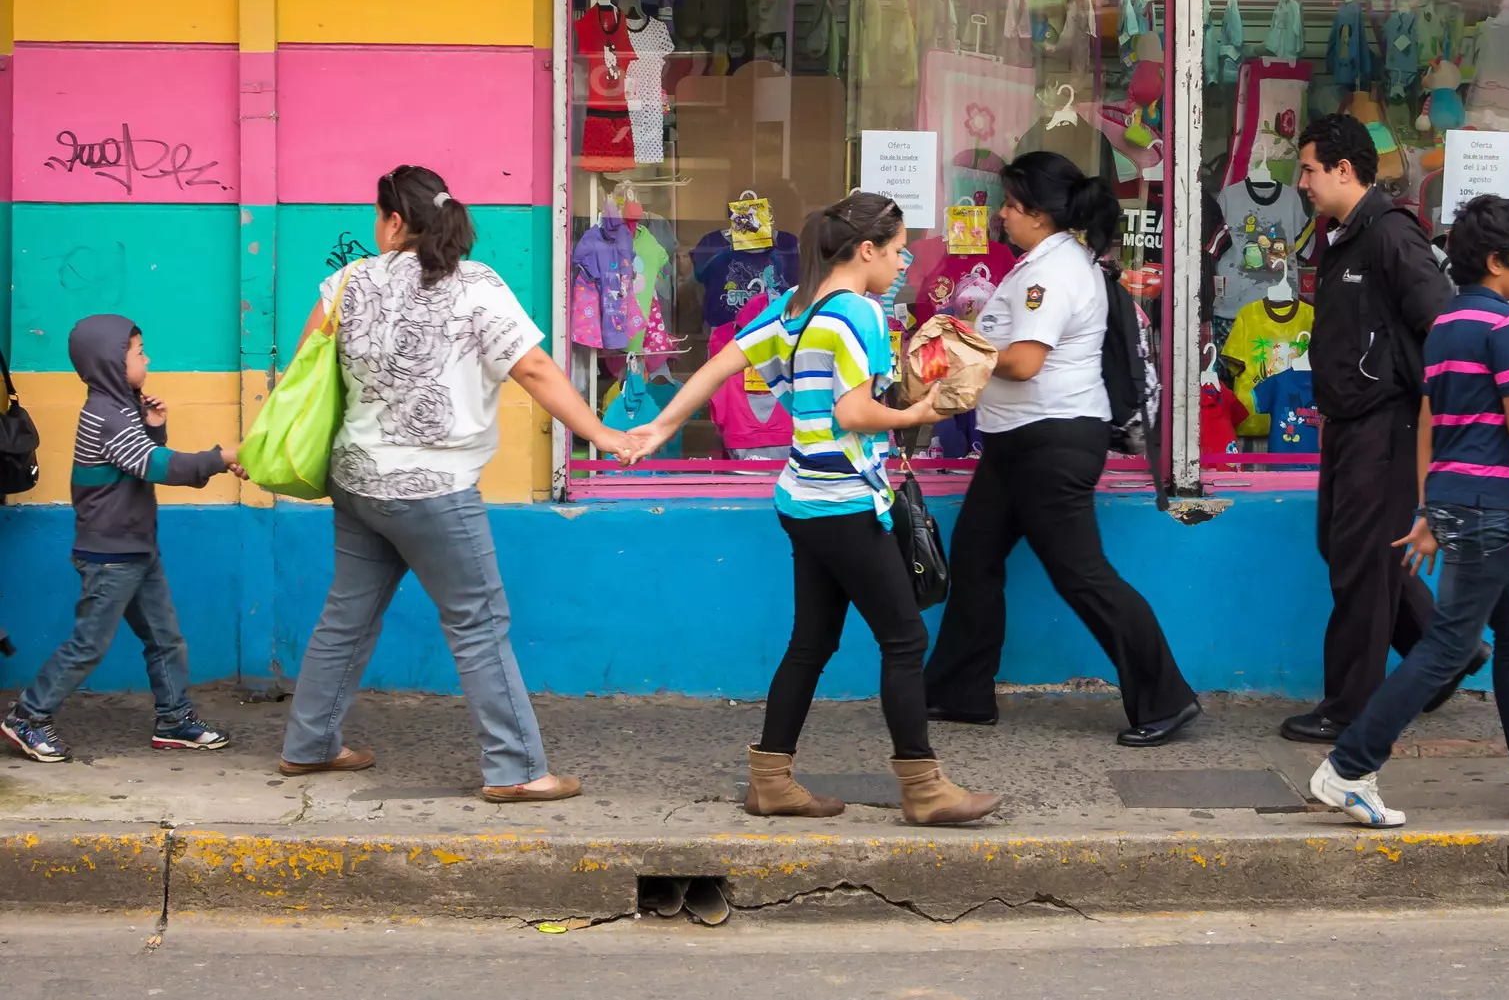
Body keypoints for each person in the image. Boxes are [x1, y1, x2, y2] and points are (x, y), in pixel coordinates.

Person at [627, 191, 999, 825]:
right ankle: (925, 789)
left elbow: (720, 364)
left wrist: (658, 429)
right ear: (865, 250)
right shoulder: (858, 311)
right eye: (898, 248)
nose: (905, 260)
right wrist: (916, 412)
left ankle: (771, 779)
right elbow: (853, 412)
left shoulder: (797, 308)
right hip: (846, 501)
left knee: (812, 641)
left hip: (801, 497)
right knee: (904, 640)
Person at [279, 166, 634, 803]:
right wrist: (601, 436)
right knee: (477, 623)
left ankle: (310, 745)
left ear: (392, 221)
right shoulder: (477, 286)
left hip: (357, 480)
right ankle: (518, 769)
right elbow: (534, 369)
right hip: (434, 489)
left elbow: (304, 369)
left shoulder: (347, 281)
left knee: (347, 615)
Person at [1308, 196, 1509, 827]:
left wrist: (1429, 505)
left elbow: (1430, 418)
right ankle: (1348, 767)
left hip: (1460, 499)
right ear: (1497, 260)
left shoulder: (1448, 323)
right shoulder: (1505, 325)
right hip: (1483, 507)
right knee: (1450, 645)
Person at [924, 151, 1200, 747]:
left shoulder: (1052, 273)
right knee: (974, 558)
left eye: (1011, 205)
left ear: (1039, 215)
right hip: (1018, 441)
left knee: (1082, 576)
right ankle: (958, 693)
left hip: (1050, 441)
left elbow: (1024, 363)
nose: (1001, 215)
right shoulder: (1043, 264)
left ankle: (1165, 698)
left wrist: (957, 350)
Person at [1281, 112, 1458, 745]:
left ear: (1344, 170)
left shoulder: (1389, 235)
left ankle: (1348, 707)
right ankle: (1448, 652)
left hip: (1386, 425)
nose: (1302, 182)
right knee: (1348, 548)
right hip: (1350, 422)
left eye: (1308, 169)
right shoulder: (1343, 235)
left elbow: (1439, 323)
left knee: (1359, 563)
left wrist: (1416, 406)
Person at [1, 317, 239, 763]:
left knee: (165, 638)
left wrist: (153, 425)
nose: (146, 359)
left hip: (136, 548)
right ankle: (28, 716)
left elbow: (137, 461)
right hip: (110, 556)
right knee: (89, 643)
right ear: (111, 362)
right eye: (138, 351)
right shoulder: (105, 415)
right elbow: (155, 466)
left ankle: (174, 719)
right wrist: (220, 458)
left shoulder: (124, 408)